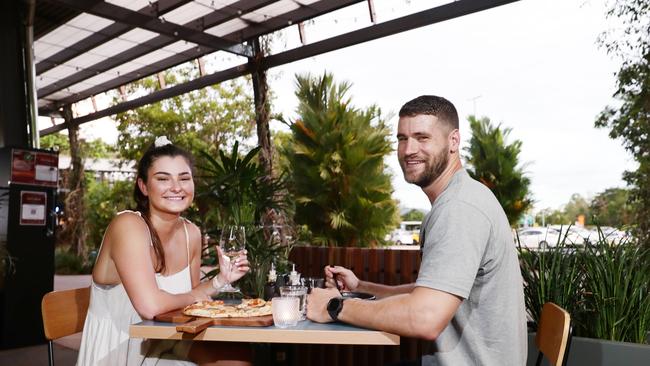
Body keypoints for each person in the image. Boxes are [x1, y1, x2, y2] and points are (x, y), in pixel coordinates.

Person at [307, 96, 527, 365]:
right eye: (402, 138)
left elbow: (425, 317)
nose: (409, 149)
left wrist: (334, 307)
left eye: (422, 137)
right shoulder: (457, 199)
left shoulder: (459, 209)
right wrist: (360, 287)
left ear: (453, 141)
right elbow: (429, 292)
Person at [77, 136, 251, 366]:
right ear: (143, 186)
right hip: (119, 351)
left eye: (184, 178)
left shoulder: (191, 233)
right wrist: (197, 295)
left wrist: (221, 280)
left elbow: (187, 305)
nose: (176, 187)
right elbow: (150, 306)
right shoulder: (128, 226)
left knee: (239, 359)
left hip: (164, 342)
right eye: (163, 179)